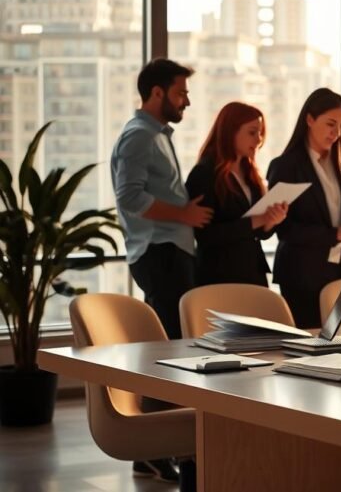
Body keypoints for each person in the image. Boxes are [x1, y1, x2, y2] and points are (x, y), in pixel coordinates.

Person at [110, 58, 209, 486]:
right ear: (156, 93)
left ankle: (155, 452)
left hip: (171, 249)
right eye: (180, 92)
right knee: (167, 353)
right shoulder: (138, 137)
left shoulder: (157, 136)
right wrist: (184, 214)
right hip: (159, 251)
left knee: (172, 347)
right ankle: (152, 449)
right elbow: (129, 196)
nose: (186, 99)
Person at [267, 88, 341, 328]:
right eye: (331, 124)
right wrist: (336, 234)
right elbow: (285, 230)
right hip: (301, 273)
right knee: (308, 346)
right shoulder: (287, 166)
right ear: (309, 119)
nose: (336, 132)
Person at [185, 102, 287, 287]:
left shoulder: (250, 174)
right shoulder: (204, 174)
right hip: (219, 276)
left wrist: (271, 220)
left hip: (252, 273)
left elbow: (260, 234)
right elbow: (206, 236)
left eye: (260, 133)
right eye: (252, 132)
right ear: (230, 132)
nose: (259, 140)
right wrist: (258, 220)